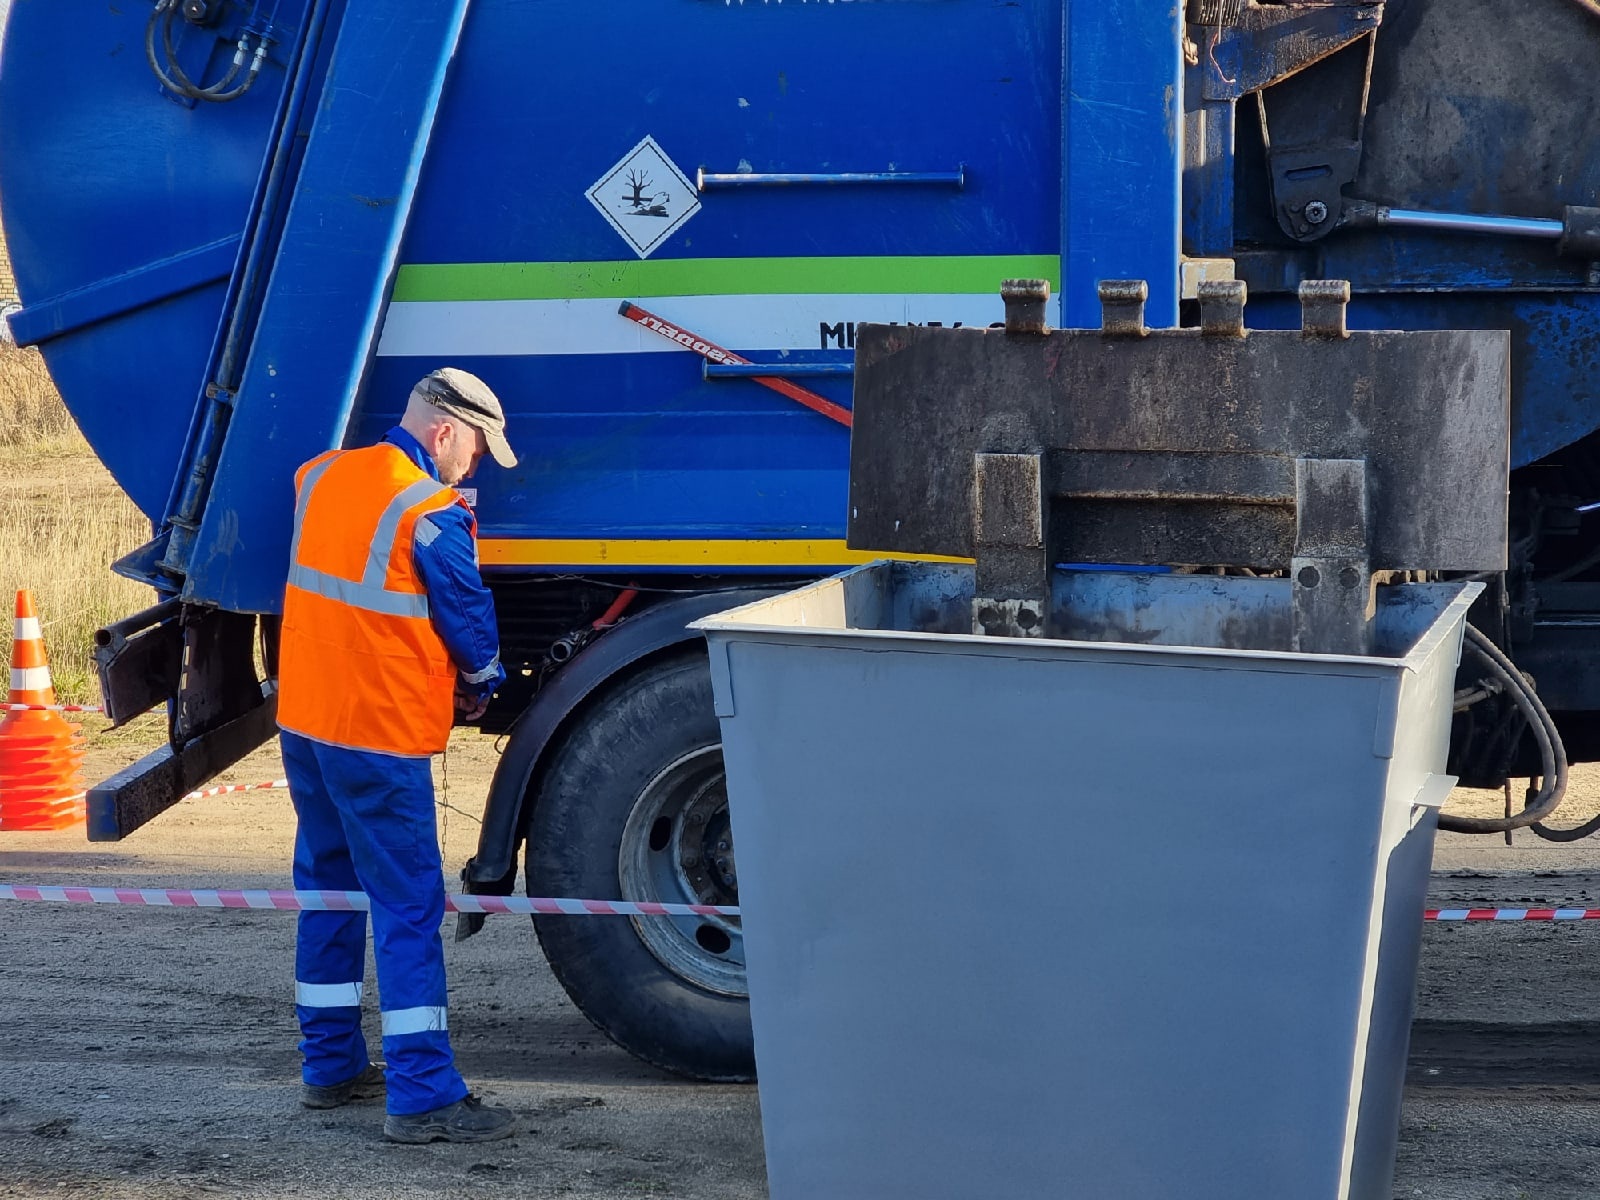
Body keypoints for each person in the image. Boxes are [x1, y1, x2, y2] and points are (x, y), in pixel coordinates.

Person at [276, 368, 518, 1144]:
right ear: (445, 432)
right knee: (408, 906)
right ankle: (422, 1094)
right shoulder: (428, 509)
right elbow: (465, 614)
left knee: (328, 890)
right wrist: (484, 680)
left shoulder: (319, 477)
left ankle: (330, 1067)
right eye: (477, 449)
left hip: (307, 725)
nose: (474, 466)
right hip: (377, 736)